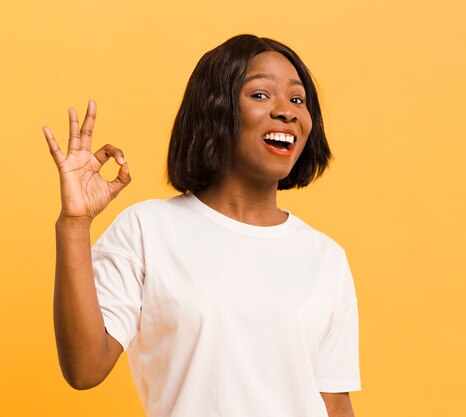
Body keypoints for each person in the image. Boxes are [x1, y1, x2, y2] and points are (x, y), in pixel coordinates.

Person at [43, 34, 360, 417]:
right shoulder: (149, 230)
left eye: (297, 99)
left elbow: (335, 404)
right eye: (260, 95)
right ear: (216, 109)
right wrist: (74, 225)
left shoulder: (325, 257)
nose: (287, 112)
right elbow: (84, 367)